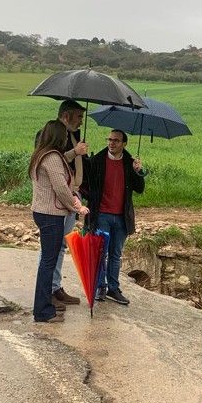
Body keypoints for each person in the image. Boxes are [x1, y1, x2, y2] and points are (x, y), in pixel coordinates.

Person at [28, 120, 89, 323]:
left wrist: (75, 153)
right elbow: (61, 188)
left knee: (48, 260)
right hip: (51, 215)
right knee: (48, 261)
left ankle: (43, 306)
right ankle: (43, 311)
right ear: (58, 136)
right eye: (64, 135)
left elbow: (62, 168)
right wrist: (77, 207)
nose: (66, 139)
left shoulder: (42, 154)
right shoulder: (52, 157)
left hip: (43, 212)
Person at [81, 127, 146, 305]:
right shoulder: (97, 161)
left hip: (121, 217)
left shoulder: (129, 163)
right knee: (101, 253)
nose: (111, 143)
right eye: (109, 139)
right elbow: (85, 185)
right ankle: (100, 287)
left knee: (116, 254)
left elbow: (139, 189)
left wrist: (138, 171)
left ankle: (113, 289)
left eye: (116, 140)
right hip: (101, 215)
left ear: (124, 144)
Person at [48, 100, 91, 307]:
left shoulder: (73, 135)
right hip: (60, 198)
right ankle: (49, 290)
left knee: (62, 245)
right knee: (52, 246)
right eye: (78, 117)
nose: (81, 121)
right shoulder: (51, 135)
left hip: (75, 192)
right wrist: (76, 152)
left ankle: (56, 287)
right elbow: (51, 161)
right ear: (66, 116)